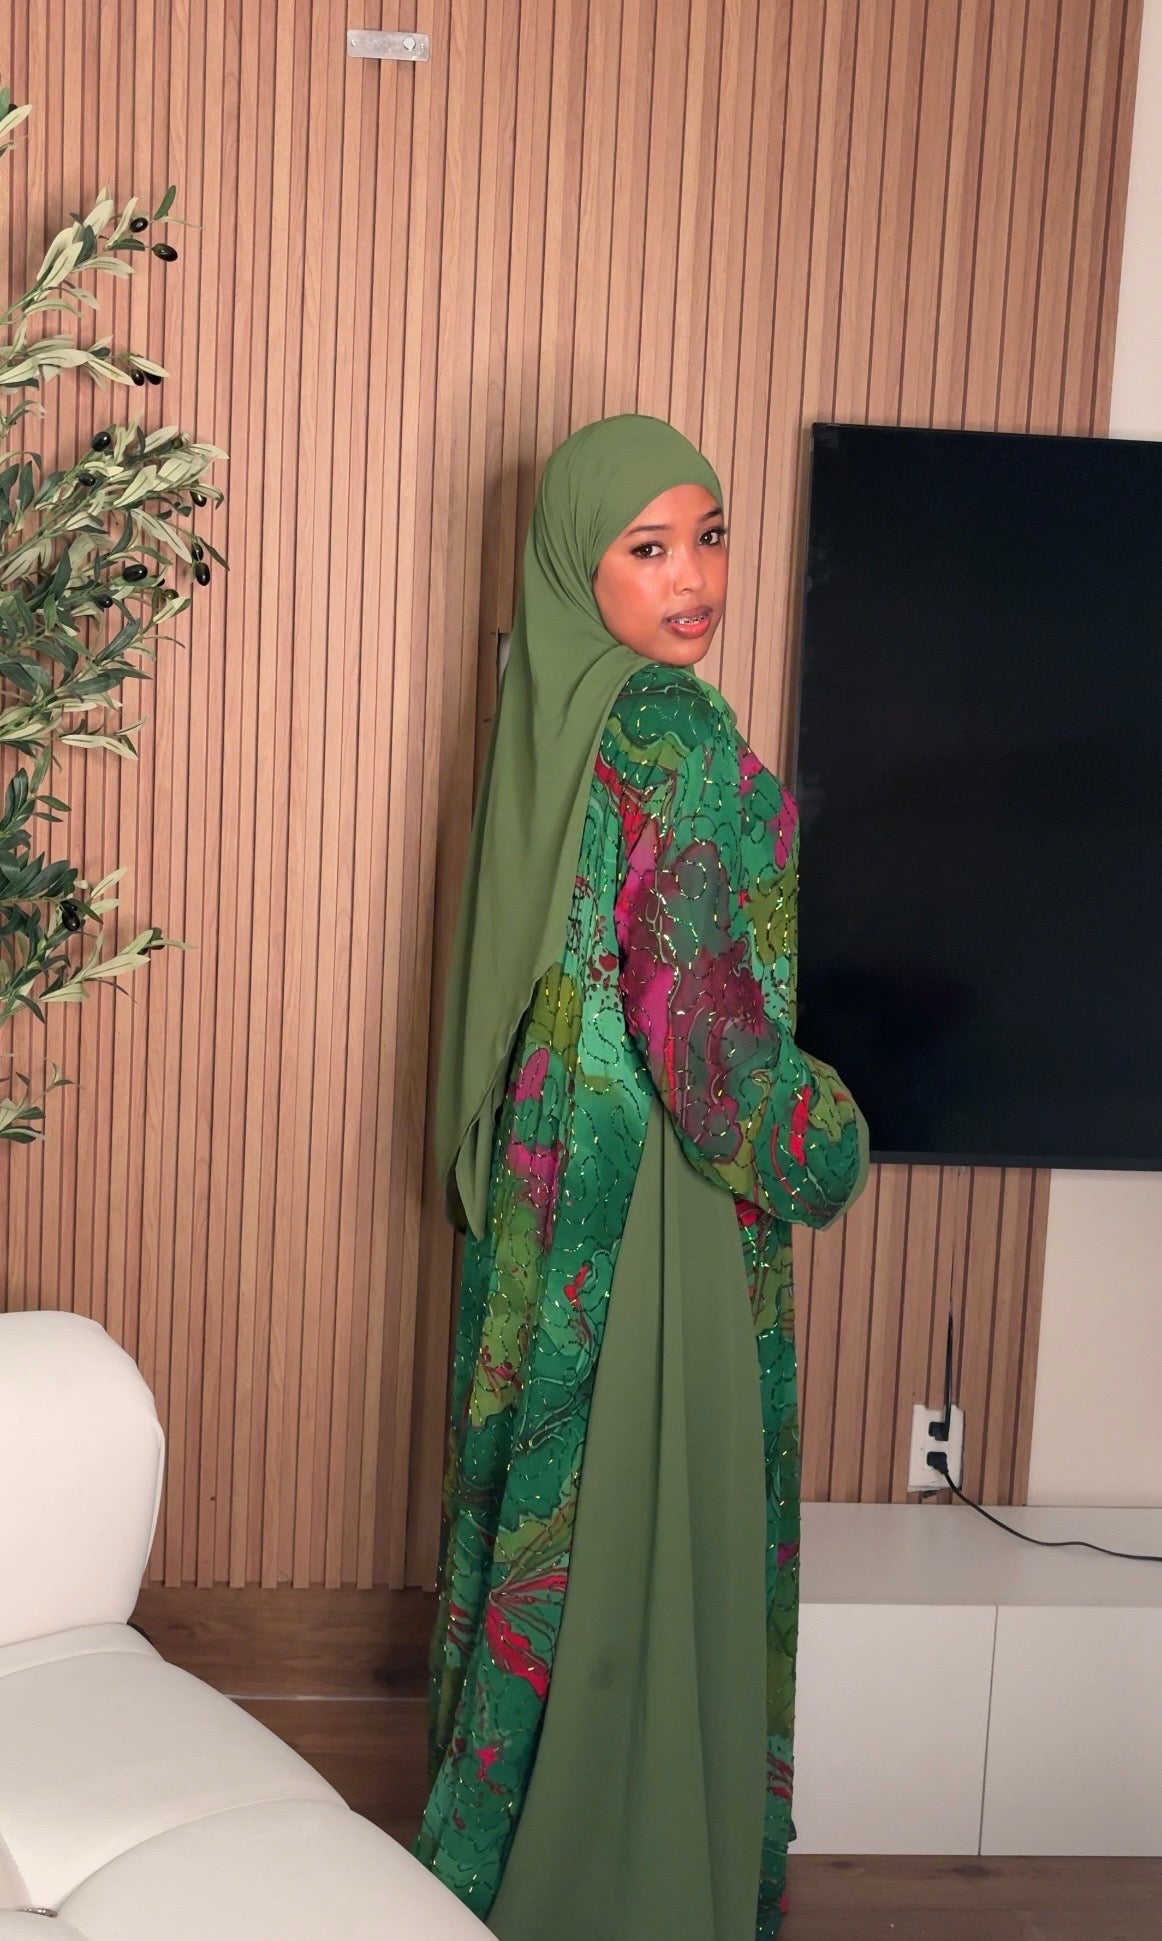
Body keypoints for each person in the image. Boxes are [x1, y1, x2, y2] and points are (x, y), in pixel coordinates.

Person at [416, 414, 869, 1940]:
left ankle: (516, 1857)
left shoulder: (555, 700)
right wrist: (827, 1143)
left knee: (563, 1517)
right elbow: (705, 1041)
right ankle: (640, 1872)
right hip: (657, 1194)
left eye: (710, 535)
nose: (694, 578)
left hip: (556, 1174)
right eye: (649, 546)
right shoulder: (669, 729)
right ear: (580, 565)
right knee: (651, 1509)